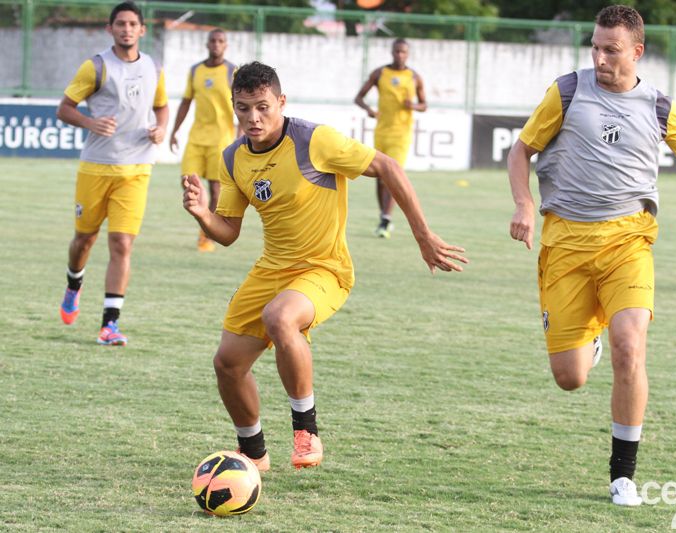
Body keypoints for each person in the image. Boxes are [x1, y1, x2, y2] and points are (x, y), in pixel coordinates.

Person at [182, 62, 466, 471]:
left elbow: (388, 167)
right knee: (227, 364)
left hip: (325, 268)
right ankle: (254, 454)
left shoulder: (315, 140)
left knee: (280, 318)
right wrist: (201, 214)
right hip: (271, 269)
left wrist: (423, 235)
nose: (252, 118)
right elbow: (227, 233)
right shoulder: (233, 158)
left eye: (262, 107)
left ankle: (306, 430)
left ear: (281, 101)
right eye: (243, 108)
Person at [507, 5, 676, 506]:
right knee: (570, 377)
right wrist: (523, 203)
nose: (600, 57)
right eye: (596, 47)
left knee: (631, 346)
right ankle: (589, 340)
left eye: (611, 49)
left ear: (637, 51)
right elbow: (521, 151)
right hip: (566, 245)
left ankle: (623, 475)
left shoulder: (659, 106)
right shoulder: (568, 91)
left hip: (629, 242)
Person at [57, 1, 168, 346]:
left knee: (121, 243)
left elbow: (161, 108)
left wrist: (160, 129)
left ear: (142, 29)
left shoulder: (154, 68)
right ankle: (74, 283)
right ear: (110, 29)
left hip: (137, 169)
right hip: (96, 167)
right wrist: (91, 122)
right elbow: (64, 109)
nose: (126, 29)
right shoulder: (96, 67)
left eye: (133, 24)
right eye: (120, 23)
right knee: (84, 241)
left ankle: (110, 325)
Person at [170, 29, 239, 252]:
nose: (216, 44)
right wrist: (174, 131)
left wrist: (240, 137)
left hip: (222, 138)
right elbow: (185, 102)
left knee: (216, 190)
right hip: (197, 137)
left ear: (225, 45)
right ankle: (205, 225)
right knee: (188, 184)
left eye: (221, 41)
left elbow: (241, 105)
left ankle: (206, 236)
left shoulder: (232, 71)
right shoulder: (195, 71)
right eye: (213, 41)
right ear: (207, 44)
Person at [354, 38, 427, 238]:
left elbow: (424, 105)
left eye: (403, 52)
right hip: (382, 132)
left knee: (392, 174)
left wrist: (413, 106)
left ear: (408, 54)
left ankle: (386, 219)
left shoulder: (414, 77)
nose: (400, 55)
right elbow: (358, 97)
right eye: (397, 51)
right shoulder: (380, 73)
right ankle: (383, 216)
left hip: (402, 134)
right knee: (379, 177)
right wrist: (368, 109)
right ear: (391, 52)